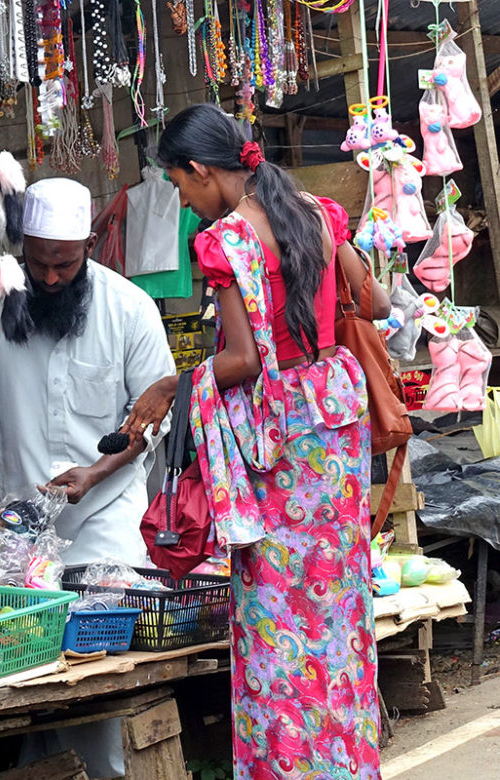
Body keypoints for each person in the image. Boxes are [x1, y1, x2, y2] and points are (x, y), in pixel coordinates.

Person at [125, 104, 390, 779]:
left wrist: (172, 385)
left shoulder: (225, 243)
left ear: (201, 169)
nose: (185, 202)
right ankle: (347, 762)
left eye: (182, 187)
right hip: (335, 424)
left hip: (280, 443)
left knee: (277, 620)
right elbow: (379, 304)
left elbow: (241, 360)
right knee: (338, 615)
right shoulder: (320, 214)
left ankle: (291, 767)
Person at [0, 177, 175, 778]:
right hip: (21, 531)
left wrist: (98, 471)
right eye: (39, 263)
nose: (50, 279)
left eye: (64, 265)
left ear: (89, 246)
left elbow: (156, 415)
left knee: (102, 673)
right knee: (32, 671)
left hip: (106, 521)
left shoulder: (130, 309)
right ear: (23, 248)